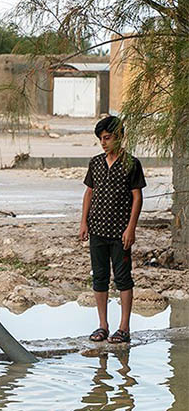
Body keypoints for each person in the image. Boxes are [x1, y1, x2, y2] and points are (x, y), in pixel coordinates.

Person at [80, 116, 145, 344]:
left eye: (107, 138)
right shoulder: (95, 163)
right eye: (101, 139)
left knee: (123, 278)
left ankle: (124, 327)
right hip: (97, 228)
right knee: (99, 277)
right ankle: (102, 326)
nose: (104, 143)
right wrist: (84, 222)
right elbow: (89, 193)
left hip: (120, 231)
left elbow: (137, 198)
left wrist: (131, 228)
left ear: (119, 137)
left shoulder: (131, 164)